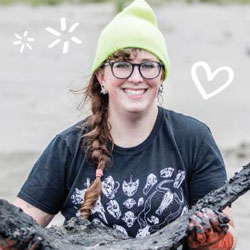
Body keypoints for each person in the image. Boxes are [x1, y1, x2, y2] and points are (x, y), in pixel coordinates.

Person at [1, 0, 236, 249]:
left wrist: (212, 238)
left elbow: (228, 236)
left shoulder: (193, 139)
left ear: (162, 75)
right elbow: (17, 227)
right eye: (122, 65)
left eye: (148, 66)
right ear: (101, 77)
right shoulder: (68, 147)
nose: (136, 77)